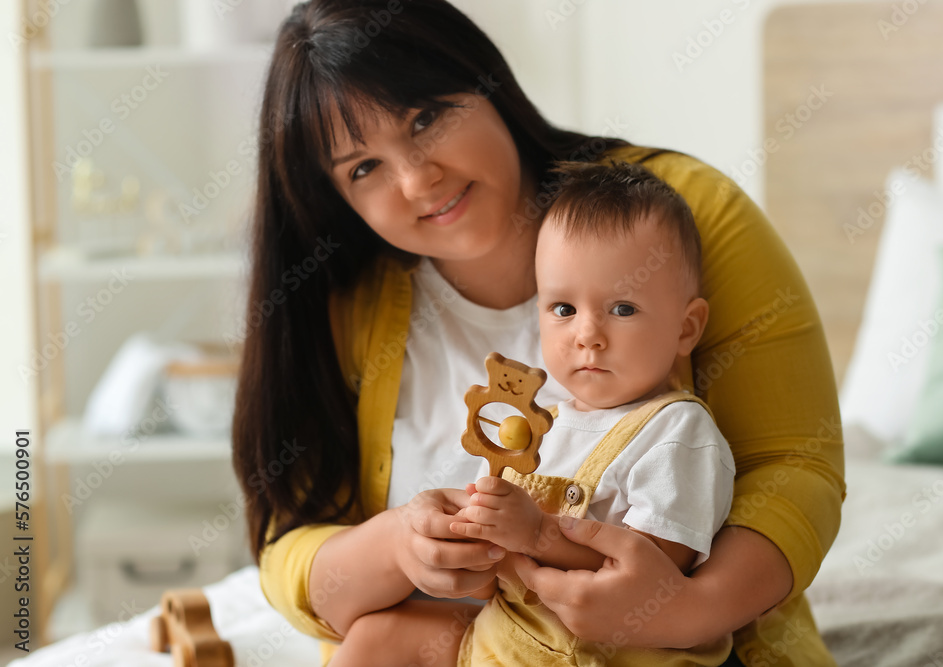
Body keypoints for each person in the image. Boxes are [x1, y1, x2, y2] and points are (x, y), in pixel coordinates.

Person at [231, 1, 847, 666]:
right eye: (362, 168)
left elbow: (796, 466)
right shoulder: (340, 300)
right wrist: (397, 545)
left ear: (484, 80)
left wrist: (684, 610)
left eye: (425, 118)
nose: (416, 179)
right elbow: (288, 548)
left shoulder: (675, 219)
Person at [328, 160, 738, 666]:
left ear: (685, 328)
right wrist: (467, 536)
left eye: (623, 308)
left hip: (602, 654)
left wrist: (538, 534)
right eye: (563, 309)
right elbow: (490, 575)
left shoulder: (678, 431)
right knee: (378, 637)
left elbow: (653, 576)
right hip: (509, 639)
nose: (587, 334)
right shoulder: (539, 428)